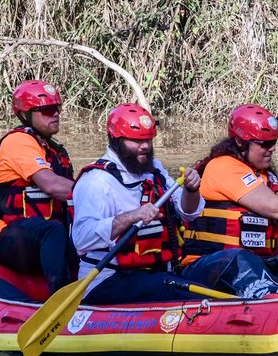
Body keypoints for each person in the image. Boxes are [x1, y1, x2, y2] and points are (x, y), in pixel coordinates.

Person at [180, 104, 278, 294]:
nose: (272, 149)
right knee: (242, 259)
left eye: (274, 142)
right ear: (241, 142)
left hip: (259, 261)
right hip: (211, 263)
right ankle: (277, 302)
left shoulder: (264, 176)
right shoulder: (222, 167)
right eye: (264, 144)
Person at [70, 103, 209, 304]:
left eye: (148, 139)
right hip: (107, 280)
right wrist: (132, 216)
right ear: (115, 140)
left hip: (155, 275)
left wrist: (191, 189)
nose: (145, 146)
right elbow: (82, 239)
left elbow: (189, 213)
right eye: (136, 140)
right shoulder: (96, 181)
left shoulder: (155, 170)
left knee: (208, 279)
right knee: (183, 293)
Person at [0, 80, 77, 295]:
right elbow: (51, 185)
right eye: (46, 110)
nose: (55, 114)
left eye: (57, 108)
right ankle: (61, 301)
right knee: (53, 229)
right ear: (25, 114)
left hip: (45, 239)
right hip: (8, 238)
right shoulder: (18, 142)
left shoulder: (53, 149)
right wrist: (97, 195)